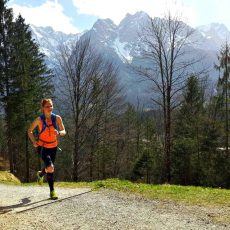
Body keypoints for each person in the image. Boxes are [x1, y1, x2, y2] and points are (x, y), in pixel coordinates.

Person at [28, 98, 66, 200]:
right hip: (43, 147)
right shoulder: (39, 120)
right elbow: (29, 131)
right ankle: (52, 191)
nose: (50, 108)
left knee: (49, 168)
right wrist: (34, 142)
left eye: (51, 106)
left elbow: (63, 131)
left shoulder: (57, 118)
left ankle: (40, 174)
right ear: (43, 108)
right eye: (47, 106)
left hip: (53, 147)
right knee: (51, 168)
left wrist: (59, 132)